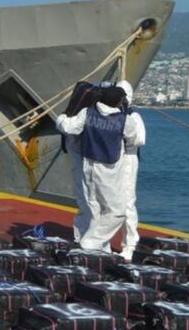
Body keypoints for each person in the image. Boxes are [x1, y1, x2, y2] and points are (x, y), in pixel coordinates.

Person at [55, 85, 144, 253]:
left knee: (93, 207)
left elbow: (68, 127)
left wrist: (61, 117)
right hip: (110, 170)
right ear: (119, 103)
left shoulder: (87, 113)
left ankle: (100, 247)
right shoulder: (125, 120)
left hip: (88, 165)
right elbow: (135, 140)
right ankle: (90, 243)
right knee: (117, 211)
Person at [116, 80, 146, 259]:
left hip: (127, 158)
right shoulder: (114, 115)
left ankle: (130, 243)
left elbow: (139, 139)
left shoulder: (133, 117)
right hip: (114, 158)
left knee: (127, 201)